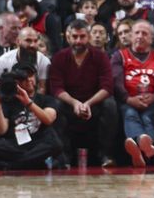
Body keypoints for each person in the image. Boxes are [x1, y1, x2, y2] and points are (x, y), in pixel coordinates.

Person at [49, 19, 117, 167]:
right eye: (75, 37)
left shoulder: (100, 57)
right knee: (55, 105)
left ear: (89, 37)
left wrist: (87, 104)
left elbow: (107, 87)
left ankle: (105, 155)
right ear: (68, 37)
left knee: (110, 104)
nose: (78, 41)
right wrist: (75, 103)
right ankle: (63, 157)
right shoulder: (59, 57)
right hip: (69, 103)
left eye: (82, 36)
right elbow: (56, 88)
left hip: (94, 103)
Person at [0, 62, 63, 170]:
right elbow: (1, 130)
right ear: (16, 82)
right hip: (16, 143)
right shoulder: (8, 101)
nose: (28, 79)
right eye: (23, 78)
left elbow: (48, 119)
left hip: (38, 142)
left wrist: (28, 102)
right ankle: (38, 162)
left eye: (30, 75)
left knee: (55, 144)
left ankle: (8, 165)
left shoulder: (46, 99)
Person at [111, 20, 154, 167]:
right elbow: (116, 81)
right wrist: (128, 99)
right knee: (130, 114)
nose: (140, 36)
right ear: (131, 36)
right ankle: (144, 145)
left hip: (151, 100)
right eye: (137, 33)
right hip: (128, 100)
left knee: (149, 117)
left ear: (152, 38)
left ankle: (137, 149)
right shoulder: (119, 56)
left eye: (145, 33)